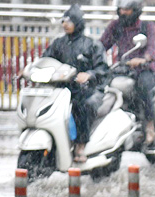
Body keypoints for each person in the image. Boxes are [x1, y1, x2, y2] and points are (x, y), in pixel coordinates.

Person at [44, 5, 107, 164]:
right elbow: (45, 60)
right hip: (62, 89)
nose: (65, 24)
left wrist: (89, 75)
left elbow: (103, 69)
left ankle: (80, 144)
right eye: (63, 21)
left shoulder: (92, 44)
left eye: (69, 21)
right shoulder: (58, 43)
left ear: (78, 23)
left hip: (87, 90)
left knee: (83, 106)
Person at [101, 0, 155, 147]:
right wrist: (91, 54)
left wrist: (144, 58)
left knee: (143, 87)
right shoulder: (115, 26)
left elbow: (153, 47)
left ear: (136, 10)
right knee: (104, 86)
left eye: (127, 10)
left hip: (143, 69)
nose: (123, 13)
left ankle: (149, 126)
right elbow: (102, 44)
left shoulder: (147, 26)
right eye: (121, 9)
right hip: (123, 69)